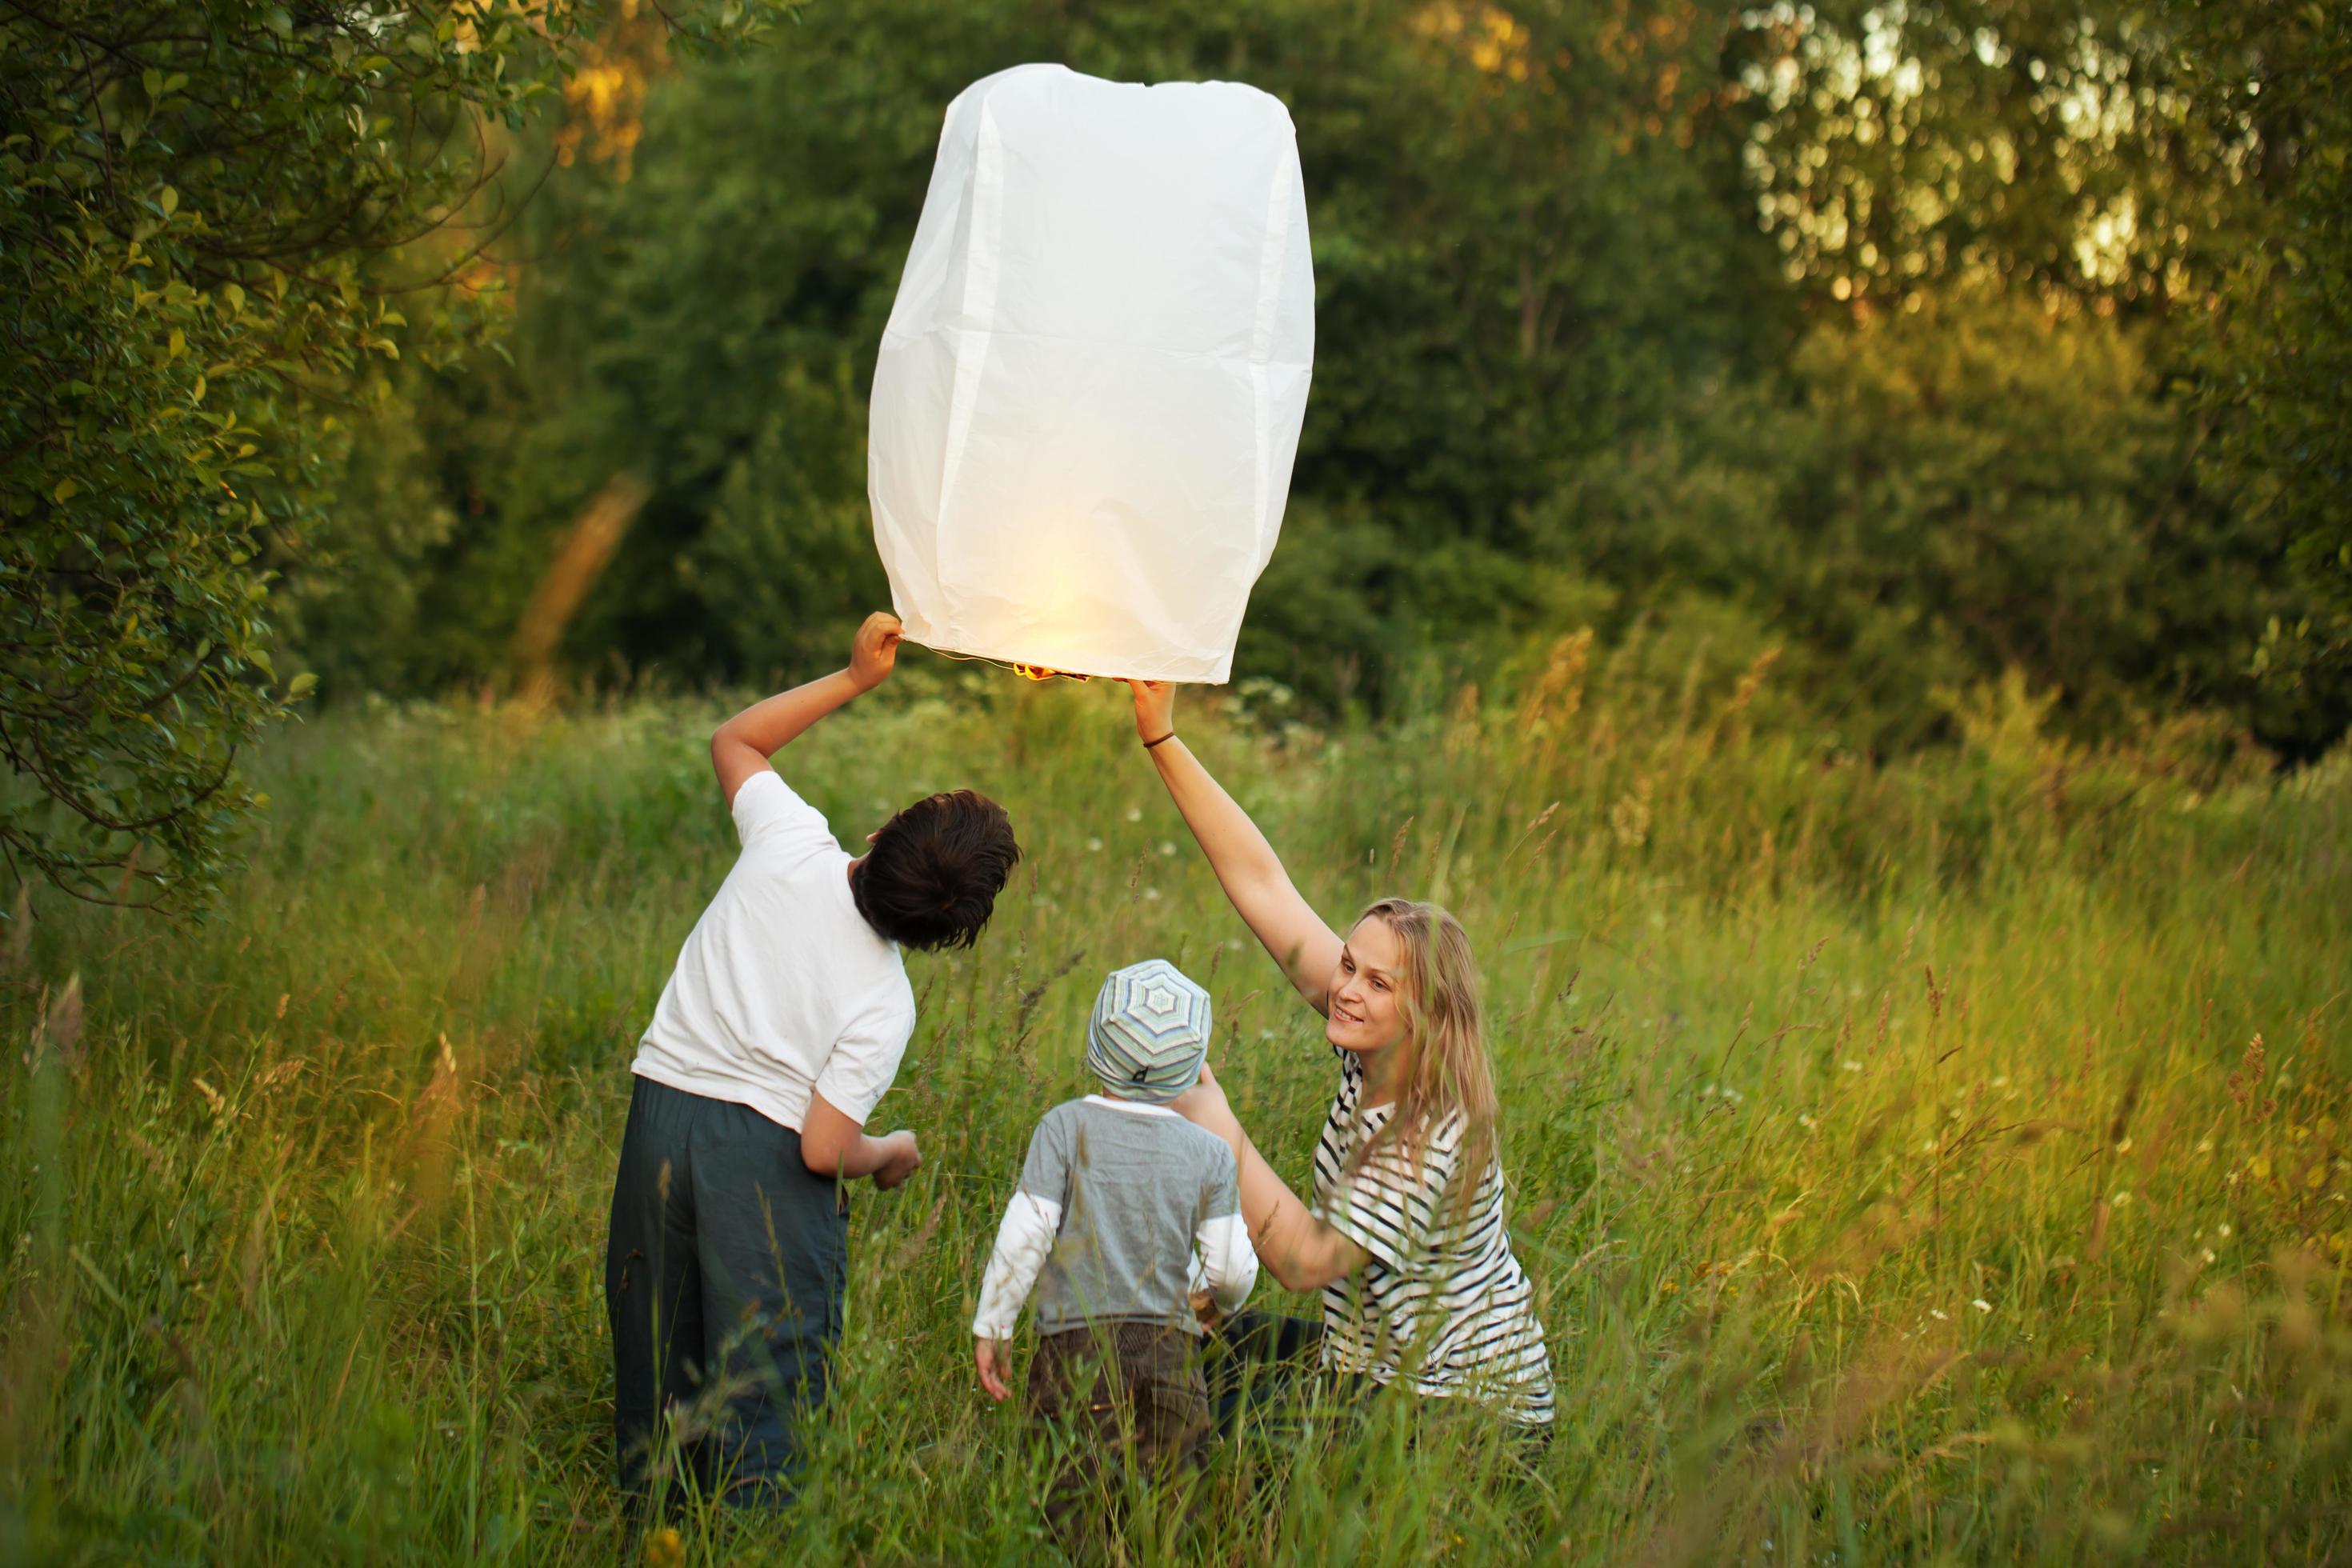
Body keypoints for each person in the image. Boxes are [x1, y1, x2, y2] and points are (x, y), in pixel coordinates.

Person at [604, 611, 1022, 1506]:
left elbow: (735, 739)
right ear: (946, 935)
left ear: (881, 833)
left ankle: (654, 1525)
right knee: (765, 1389)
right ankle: (750, 1536)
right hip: (759, 1163)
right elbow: (824, 1149)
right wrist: (891, 1151)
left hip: (660, 1118)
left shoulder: (788, 842)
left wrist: (853, 679)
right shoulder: (885, 997)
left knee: (657, 1360)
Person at [1126, 679, 1555, 1435]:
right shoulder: (1379, 1041)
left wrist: (1209, 1116)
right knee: (1162, 1353)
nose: (1346, 989)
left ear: (1425, 1013)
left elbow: (1302, 1260)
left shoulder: (1427, 1137)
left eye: (1376, 981)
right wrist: (1162, 737)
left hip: (1459, 1410)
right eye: (1348, 965)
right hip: (1364, 1359)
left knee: (1203, 1432)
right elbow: (1262, 883)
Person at [970, 959, 1258, 1531]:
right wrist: (1210, 1305)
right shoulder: (1209, 1154)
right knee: (1174, 1505)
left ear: (1095, 1045)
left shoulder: (1062, 1127)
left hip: (1072, 1349)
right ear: (1192, 1070)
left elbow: (1023, 1237)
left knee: (1069, 1501)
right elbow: (1230, 1273)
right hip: (1170, 1350)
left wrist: (994, 1324)